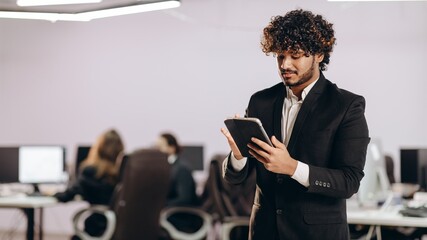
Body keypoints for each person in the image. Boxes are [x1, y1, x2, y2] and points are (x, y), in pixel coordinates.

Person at [221, 9, 370, 240]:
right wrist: (238, 157)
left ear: (319, 54)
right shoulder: (260, 101)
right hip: (264, 232)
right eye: (280, 56)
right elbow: (235, 180)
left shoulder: (346, 106)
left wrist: (292, 167)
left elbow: (349, 182)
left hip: (318, 234)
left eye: (295, 55)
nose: (285, 64)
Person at [54, 129, 124, 239]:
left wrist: (53, 194)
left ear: (99, 148)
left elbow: (67, 195)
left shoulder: (91, 171)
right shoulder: (124, 172)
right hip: (121, 228)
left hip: (97, 227)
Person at [156, 132, 198, 207]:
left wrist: (159, 205)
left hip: (178, 214)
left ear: (172, 148)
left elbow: (184, 199)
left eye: (160, 147)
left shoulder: (181, 169)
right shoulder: (165, 167)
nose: (156, 150)